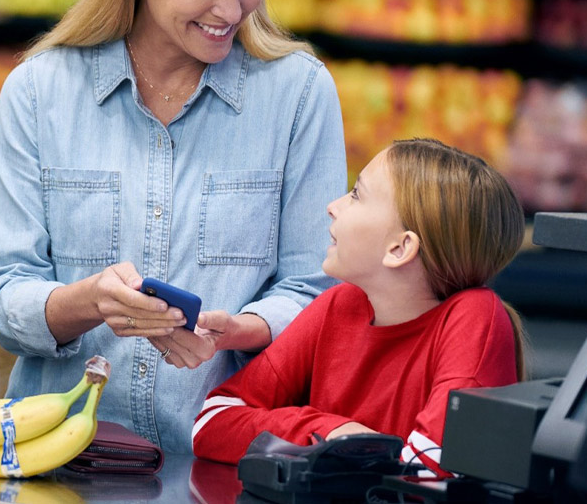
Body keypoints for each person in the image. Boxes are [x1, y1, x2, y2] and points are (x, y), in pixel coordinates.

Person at [0, 0, 347, 452]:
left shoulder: (298, 94)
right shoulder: (40, 92)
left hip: (229, 459)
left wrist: (242, 329)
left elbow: (318, 289)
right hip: (57, 455)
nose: (232, 11)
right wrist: (89, 301)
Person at [192, 138, 526, 476]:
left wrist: (331, 453)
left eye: (356, 195)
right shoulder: (339, 304)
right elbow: (213, 421)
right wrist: (330, 433)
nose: (333, 206)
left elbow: (436, 468)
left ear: (399, 248)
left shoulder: (476, 315)